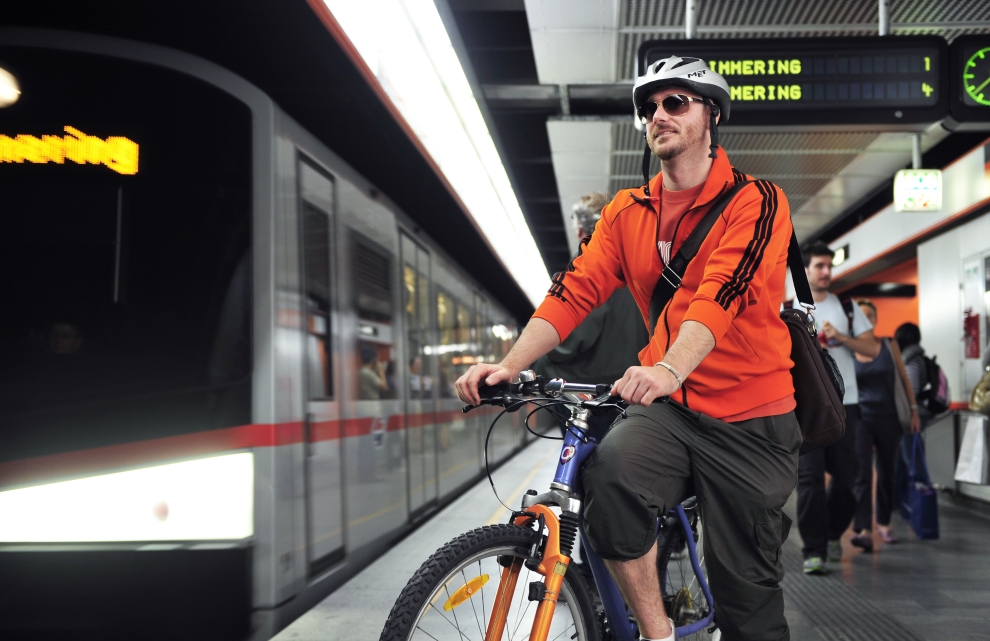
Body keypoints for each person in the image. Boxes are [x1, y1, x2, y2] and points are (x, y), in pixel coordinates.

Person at [457, 56, 801, 641]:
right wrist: (510, 365)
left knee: (747, 596)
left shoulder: (759, 202)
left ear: (710, 115)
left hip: (753, 419)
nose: (658, 115)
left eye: (676, 103)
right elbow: (572, 292)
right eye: (649, 107)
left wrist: (667, 366)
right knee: (610, 478)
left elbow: (723, 293)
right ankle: (657, 632)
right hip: (673, 412)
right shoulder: (625, 213)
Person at [533, 192, 649, 437]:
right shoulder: (640, 265)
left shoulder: (588, 267)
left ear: (579, 231)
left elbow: (571, 340)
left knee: (541, 366)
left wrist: (538, 354)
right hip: (635, 388)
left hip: (595, 390)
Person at [795, 242, 879, 575]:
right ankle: (813, 549)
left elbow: (872, 348)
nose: (826, 272)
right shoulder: (789, 307)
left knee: (849, 479)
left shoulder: (847, 308)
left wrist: (843, 338)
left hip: (849, 404)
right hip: (807, 408)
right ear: (805, 270)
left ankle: (832, 534)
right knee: (810, 480)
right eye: (819, 266)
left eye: (829, 266)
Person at [850, 300, 920, 550]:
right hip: (861, 419)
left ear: (876, 320)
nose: (866, 319)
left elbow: (904, 378)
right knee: (862, 474)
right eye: (862, 315)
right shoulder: (850, 349)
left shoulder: (890, 345)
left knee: (887, 472)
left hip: (889, 418)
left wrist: (913, 411)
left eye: (870, 315)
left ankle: (885, 522)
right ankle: (865, 528)